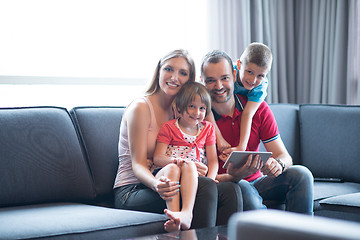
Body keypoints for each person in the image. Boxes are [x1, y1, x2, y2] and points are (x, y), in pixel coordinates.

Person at [113, 49, 241, 232]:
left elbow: (204, 114)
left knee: (230, 190)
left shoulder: (181, 111)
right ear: (159, 71)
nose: (174, 77)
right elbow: (138, 165)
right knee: (205, 187)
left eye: (183, 73)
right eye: (168, 69)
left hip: (171, 179)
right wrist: (157, 185)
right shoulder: (141, 107)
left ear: (190, 80)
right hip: (134, 189)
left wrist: (199, 167)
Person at [200, 49, 314, 214]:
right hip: (224, 186)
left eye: (224, 78)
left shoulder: (258, 108)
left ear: (234, 74)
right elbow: (201, 179)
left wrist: (278, 165)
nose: (219, 86)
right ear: (201, 81)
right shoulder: (196, 117)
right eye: (210, 81)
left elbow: (285, 156)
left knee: (302, 174)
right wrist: (235, 176)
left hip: (258, 182)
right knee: (243, 189)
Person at [153, 81, 218, 231]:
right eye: (192, 107)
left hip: (190, 173)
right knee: (175, 168)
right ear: (180, 108)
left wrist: (210, 178)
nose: (197, 112)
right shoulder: (169, 127)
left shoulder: (208, 129)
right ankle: (174, 215)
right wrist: (176, 161)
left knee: (189, 165)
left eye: (202, 108)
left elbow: (213, 161)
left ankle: (186, 215)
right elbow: (158, 158)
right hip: (165, 172)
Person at [208, 43, 271, 154]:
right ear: (239, 65)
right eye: (249, 72)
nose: (253, 80)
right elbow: (205, 99)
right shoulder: (226, 72)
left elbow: (247, 114)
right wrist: (219, 139)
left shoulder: (260, 88)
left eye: (260, 76)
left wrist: (241, 147)